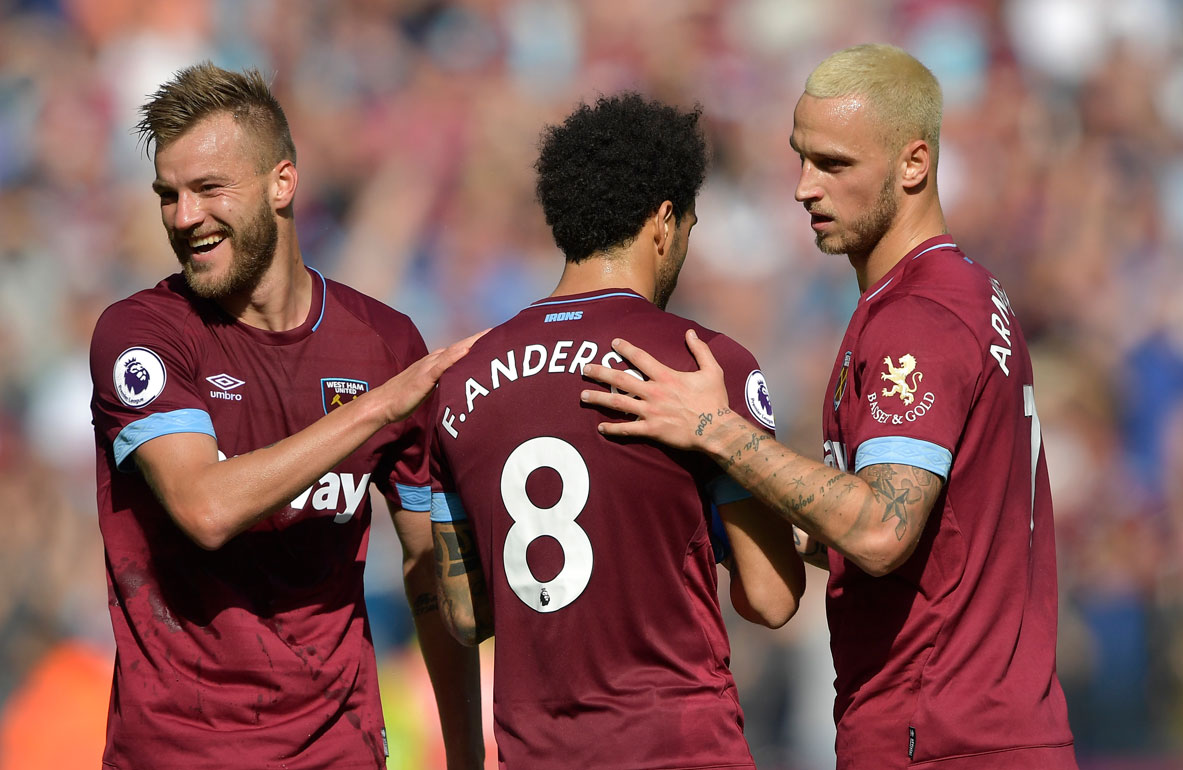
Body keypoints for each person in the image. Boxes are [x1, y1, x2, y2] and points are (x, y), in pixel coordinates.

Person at [580, 44, 1078, 769]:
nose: (804, 188)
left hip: (941, 735)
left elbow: (880, 530)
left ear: (914, 164)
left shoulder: (920, 317)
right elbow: (925, 542)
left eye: (836, 165)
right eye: (801, 158)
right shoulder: (955, 291)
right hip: (982, 727)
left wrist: (714, 428)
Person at [88, 63, 482, 769]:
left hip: (339, 749)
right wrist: (377, 408)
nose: (184, 217)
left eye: (210, 189)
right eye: (168, 195)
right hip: (177, 752)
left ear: (282, 183)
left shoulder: (383, 343)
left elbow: (427, 571)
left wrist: (465, 756)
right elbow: (205, 508)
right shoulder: (142, 335)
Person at [428, 93, 805, 769]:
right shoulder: (701, 367)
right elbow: (772, 599)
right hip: (678, 747)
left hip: (534, 752)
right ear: (664, 221)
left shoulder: (461, 382)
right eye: (689, 223)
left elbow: (464, 612)